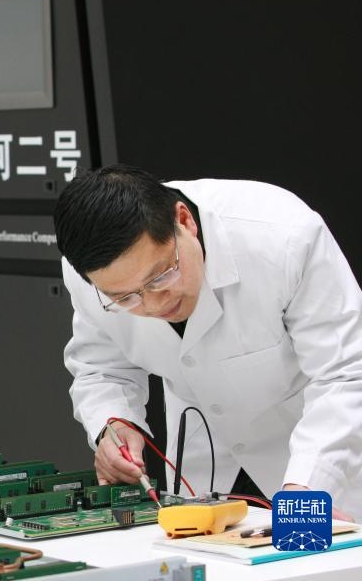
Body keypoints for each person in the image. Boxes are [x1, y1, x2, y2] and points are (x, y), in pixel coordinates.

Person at [53, 164, 362, 520]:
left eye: (160, 276)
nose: (154, 305)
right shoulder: (92, 276)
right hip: (207, 469)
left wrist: (307, 486)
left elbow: (344, 373)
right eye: (126, 298)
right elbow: (101, 370)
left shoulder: (283, 236)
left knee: (311, 553)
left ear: (184, 221)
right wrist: (115, 424)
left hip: (315, 463)